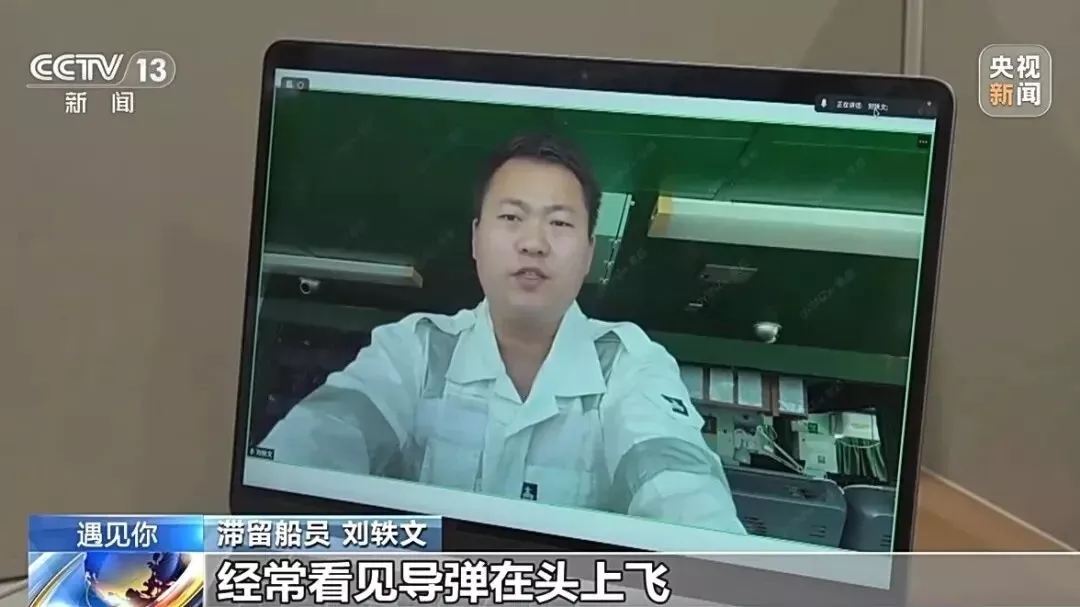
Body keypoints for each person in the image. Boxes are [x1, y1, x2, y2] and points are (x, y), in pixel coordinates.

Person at [260, 134, 747, 535]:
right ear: (476, 239)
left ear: (588, 253)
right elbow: (319, 440)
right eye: (511, 217)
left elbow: (677, 481)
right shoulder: (415, 349)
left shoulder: (630, 363)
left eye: (559, 222)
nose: (533, 243)